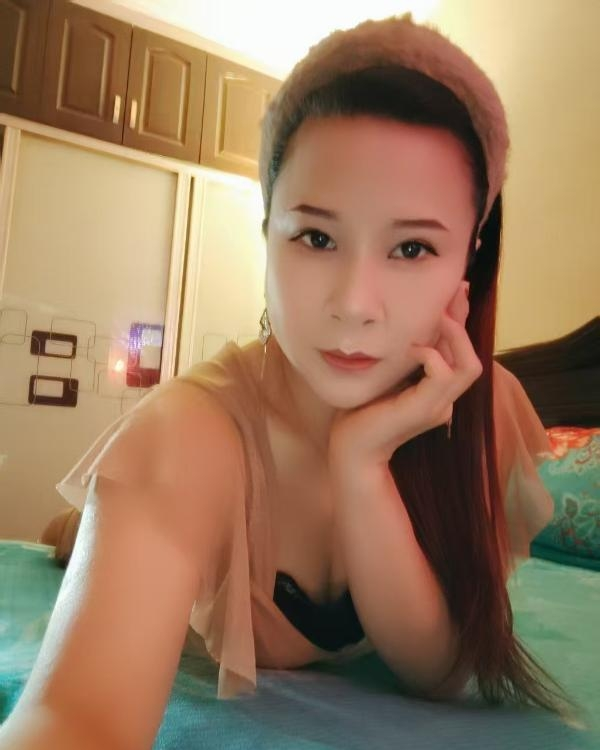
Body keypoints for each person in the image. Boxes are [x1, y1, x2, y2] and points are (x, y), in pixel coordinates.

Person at [0, 13, 575, 750]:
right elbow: (77, 721)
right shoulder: (189, 432)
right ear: (267, 232)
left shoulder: (486, 411)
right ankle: (79, 528)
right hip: (167, 496)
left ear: (470, 259)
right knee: (76, 536)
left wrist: (361, 462)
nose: (355, 305)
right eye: (316, 237)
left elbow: (438, 671)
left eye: (411, 248)